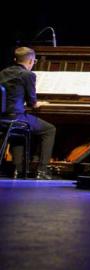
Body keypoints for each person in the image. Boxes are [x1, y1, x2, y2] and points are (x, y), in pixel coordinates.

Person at [0, 47, 56, 179]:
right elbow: (33, 103)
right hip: (16, 117)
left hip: (2, 118)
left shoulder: (3, 72)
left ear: (15, 59)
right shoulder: (28, 75)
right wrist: (39, 104)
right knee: (49, 129)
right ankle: (42, 170)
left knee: (19, 130)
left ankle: (17, 169)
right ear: (31, 61)